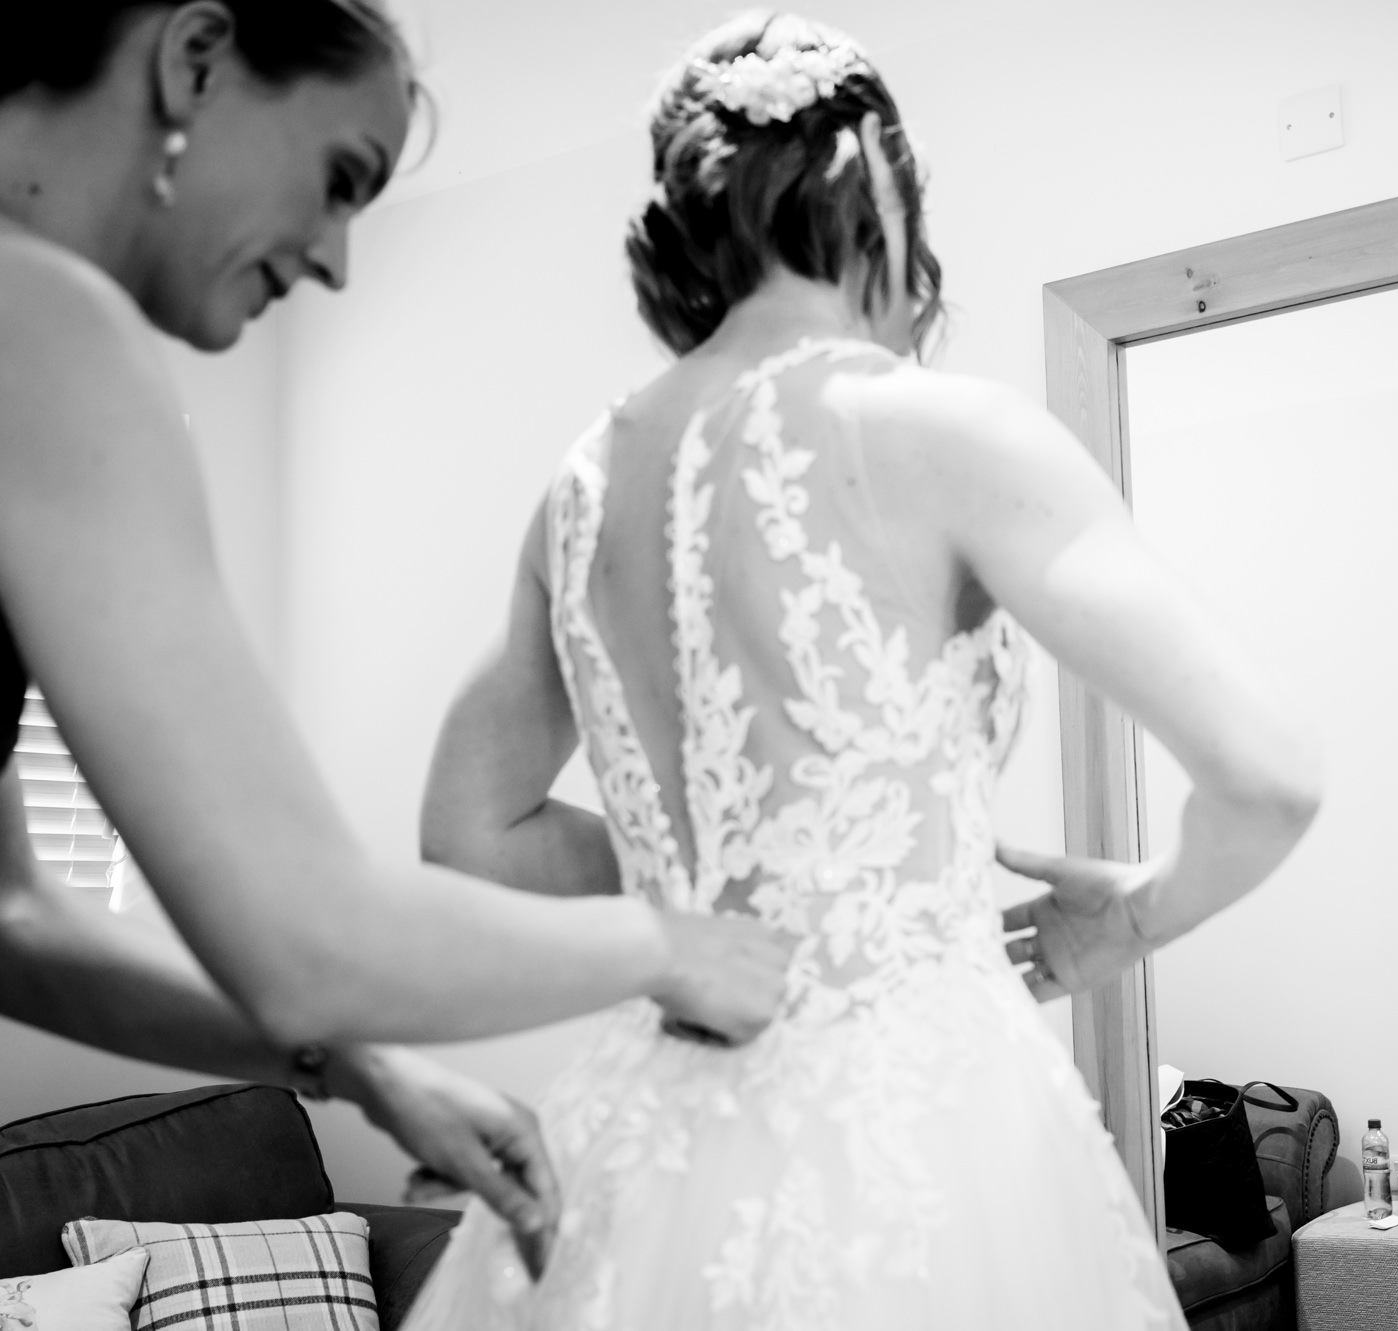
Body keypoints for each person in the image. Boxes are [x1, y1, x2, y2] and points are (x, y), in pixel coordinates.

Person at [399, 14, 1323, 1328]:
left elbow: (465, 833)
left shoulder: (582, 485)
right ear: (885, 195)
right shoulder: (943, 429)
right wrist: (1127, 919)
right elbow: (1273, 774)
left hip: (647, 1122)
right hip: (920, 1115)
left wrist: (708, 892)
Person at [0, 1, 795, 1271]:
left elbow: (16, 919)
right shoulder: (41, 317)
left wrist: (363, 1072)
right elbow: (309, 936)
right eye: (340, 180)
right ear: (193, 58)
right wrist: (673, 939)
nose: (335, 262)